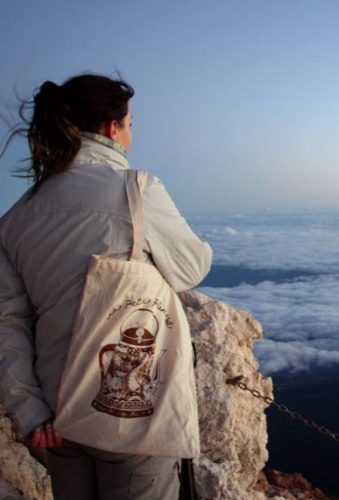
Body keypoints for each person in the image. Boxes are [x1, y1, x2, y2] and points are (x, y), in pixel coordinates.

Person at [0, 73, 212, 499]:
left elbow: (7, 323)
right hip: (128, 413)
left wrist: (30, 411)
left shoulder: (17, 217)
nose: (131, 133)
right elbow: (192, 266)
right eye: (131, 123)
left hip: (54, 412)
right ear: (113, 128)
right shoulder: (137, 190)